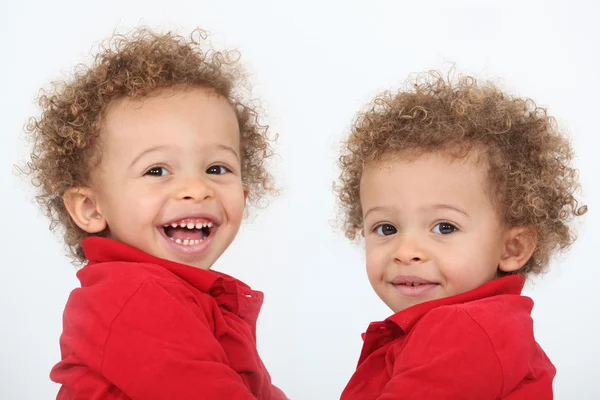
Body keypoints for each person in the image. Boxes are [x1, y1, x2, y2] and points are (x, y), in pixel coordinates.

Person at [24, 26, 287, 400]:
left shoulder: (185, 295)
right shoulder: (132, 298)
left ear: (244, 193)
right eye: (157, 171)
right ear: (90, 207)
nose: (197, 189)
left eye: (217, 169)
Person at [335, 71, 587, 399]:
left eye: (444, 227)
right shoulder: (482, 327)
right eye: (387, 228)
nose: (406, 250)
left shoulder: (463, 332)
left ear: (512, 247)